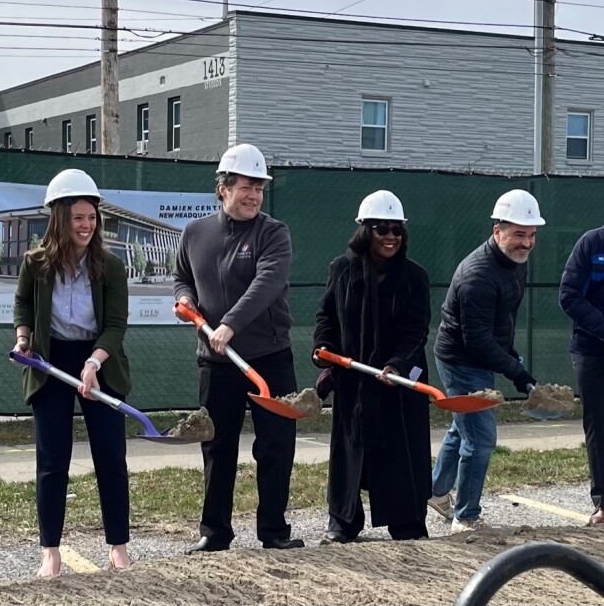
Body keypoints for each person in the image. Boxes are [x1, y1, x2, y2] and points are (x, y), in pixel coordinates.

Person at [173, 143, 304, 553]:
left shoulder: (273, 232)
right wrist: (186, 300)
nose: (254, 196)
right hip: (216, 362)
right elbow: (182, 277)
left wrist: (229, 324)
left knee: (276, 445)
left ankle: (274, 530)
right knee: (217, 445)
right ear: (223, 188)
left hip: (268, 357)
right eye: (246, 187)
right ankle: (215, 532)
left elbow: (267, 284)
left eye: (259, 188)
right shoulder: (195, 233)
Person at [12, 168, 132, 577]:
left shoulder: (111, 266)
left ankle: (118, 547)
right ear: (60, 218)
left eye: (92, 218)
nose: (86, 226)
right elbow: (23, 305)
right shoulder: (35, 263)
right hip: (49, 363)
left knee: (111, 458)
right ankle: (51, 552)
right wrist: (23, 338)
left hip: (99, 361)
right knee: (52, 461)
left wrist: (94, 363)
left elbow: (116, 325)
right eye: (78, 217)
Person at [312, 190, 432, 544]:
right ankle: (344, 521)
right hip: (354, 382)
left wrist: (397, 365)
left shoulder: (415, 277)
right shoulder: (342, 270)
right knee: (349, 452)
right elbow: (326, 317)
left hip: (399, 384)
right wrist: (323, 349)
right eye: (382, 229)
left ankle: (407, 522)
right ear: (365, 231)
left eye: (397, 229)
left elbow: (416, 330)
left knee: (402, 456)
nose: (391, 236)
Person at [429, 189, 544, 533]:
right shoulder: (478, 275)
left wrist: (509, 354)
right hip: (461, 359)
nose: (526, 243)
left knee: (462, 428)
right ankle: (465, 518)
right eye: (518, 234)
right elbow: (477, 342)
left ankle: (435, 492)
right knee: (480, 439)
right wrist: (518, 373)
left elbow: (503, 317)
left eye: (532, 235)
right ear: (498, 232)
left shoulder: (514, 263)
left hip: (480, 353)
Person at [559, 226, 604, 525]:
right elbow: (569, 296)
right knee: (599, 423)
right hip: (592, 350)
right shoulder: (592, 243)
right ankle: (603, 503)